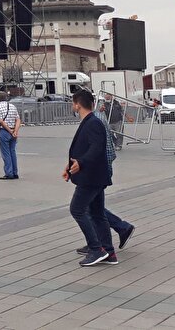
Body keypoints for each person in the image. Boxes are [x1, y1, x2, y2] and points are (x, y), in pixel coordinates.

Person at [75, 99, 135, 259]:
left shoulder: (96, 120)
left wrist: (97, 169)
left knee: (86, 208)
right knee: (93, 208)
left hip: (95, 172)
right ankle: (109, 240)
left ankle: (102, 243)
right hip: (96, 171)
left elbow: (104, 149)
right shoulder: (94, 119)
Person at [64, 90, 116, 266]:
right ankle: (109, 252)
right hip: (94, 176)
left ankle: (96, 249)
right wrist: (70, 167)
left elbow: (96, 148)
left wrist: (81, 163)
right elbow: (85, 149)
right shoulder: (90, 121)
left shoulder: (93, 122)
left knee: (77, 209)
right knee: (97, 213)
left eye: (73, 103)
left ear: (78, 104)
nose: (73, 106)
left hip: (91, 177)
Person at [0, 92, 21, 180]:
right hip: (14, 130)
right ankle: (15, 172)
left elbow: (1, 121)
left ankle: (9, 173)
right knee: (12, 152)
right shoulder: (12, 106)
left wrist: (9, 131)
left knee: (6, 153)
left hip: (4, 131)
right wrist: (15, 131)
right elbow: (18, 119)